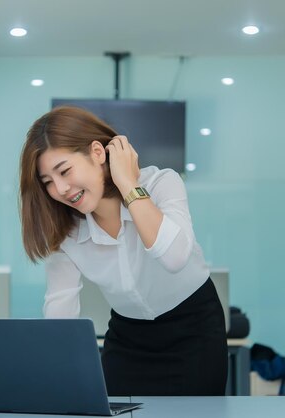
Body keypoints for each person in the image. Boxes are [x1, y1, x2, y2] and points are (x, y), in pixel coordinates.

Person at [19, 106, 228, 396]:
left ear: (97, 152)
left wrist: (129, 185)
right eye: (49, 183)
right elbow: (60, 310)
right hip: (128, 338)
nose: (61, 189)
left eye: (64, 171)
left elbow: (175, 257)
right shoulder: (66, 230)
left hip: (194, 332)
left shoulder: (161, 183)